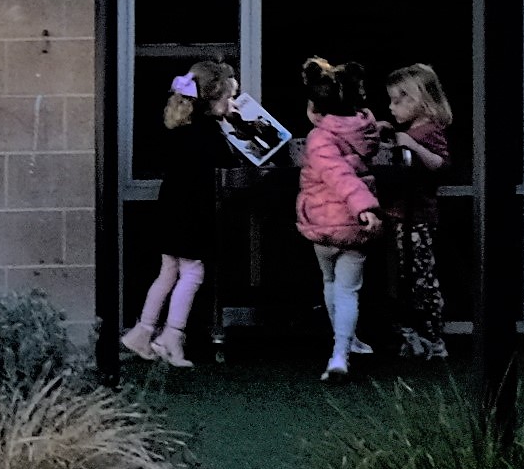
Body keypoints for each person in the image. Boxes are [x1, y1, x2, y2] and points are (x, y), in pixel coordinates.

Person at [124, 54, 283, 367]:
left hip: (170, 210)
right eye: (231, 96)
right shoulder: (208, 133)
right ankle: (172, 336)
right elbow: (240, 157)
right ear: (215, 98)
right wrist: (238, 123)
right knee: (193, 273)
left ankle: (142, 331)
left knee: (168, 271)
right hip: (190, 213)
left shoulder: (183, 126)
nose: (234, 102)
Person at [289, 59, 386, 379]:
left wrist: (362, 206)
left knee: (331, 283)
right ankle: (344, 348)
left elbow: (338, 174)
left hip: (324, 225)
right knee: (349, 290)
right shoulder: (366, 130)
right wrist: (364, 210)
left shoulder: (319, 139)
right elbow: (351, 171)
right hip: (354, 228)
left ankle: (339, 351)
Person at [371, 64, 461, 365]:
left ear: (419, 99)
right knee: (404, 279)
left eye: (398, 100)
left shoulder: (428, 133)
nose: (392, 106)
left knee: (421, 279)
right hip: (398, 217)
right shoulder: (408, 132)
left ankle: (434, 338)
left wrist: (410, 145)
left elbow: (440, 164)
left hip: (416, 219)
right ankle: (412, 338)